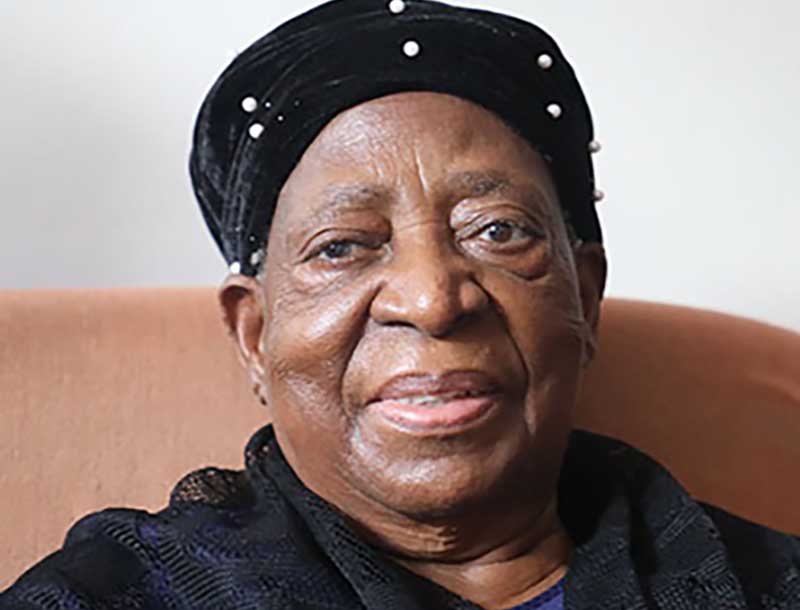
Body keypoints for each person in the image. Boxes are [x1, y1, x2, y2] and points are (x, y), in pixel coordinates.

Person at [2, 1, 798, 608]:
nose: (432, 299)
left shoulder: (764, 583)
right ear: (254, 334)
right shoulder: (120, 593)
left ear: (584, 299)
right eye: (342, 246)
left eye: (497, 231)